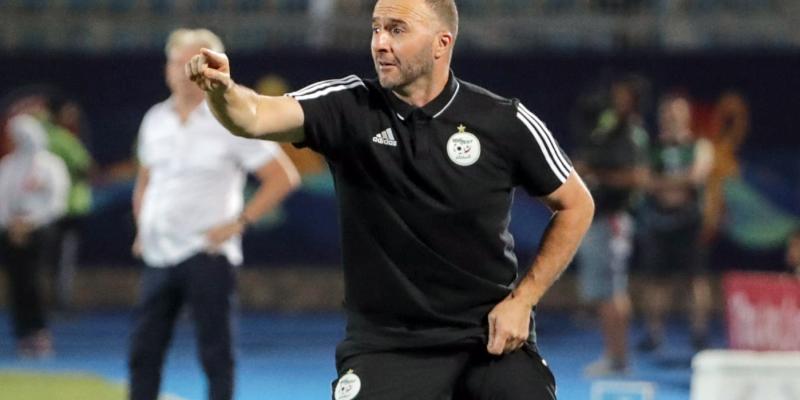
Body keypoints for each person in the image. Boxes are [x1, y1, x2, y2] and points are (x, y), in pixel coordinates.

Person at [188, 1, 595, 398]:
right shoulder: (347, 106)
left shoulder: (503, 121)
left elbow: (577, 204)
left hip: (487, 335)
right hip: (386, 345)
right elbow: (254, 116)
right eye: (376, 29)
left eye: (397, 30)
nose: (380, 42)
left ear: (441, 42)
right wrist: (223, 92)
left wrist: (522, 301)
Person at [128, 29, 300, 400]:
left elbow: (283, 176)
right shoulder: (155, 119)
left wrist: (239, 223)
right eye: (177, 62)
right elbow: (145, 180)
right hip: (159, 254)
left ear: (211, 69)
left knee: (216, 354)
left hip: (207, 253)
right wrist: (143, 227)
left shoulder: (230, 120)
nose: (183, 71)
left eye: (194, 62)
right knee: (143, 352)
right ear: (167, 68)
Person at [573, 75, 650, 376]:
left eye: (621, 94)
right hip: (600, 218)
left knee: (612, 290)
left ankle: (617, 358)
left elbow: (638, 177)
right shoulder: (609, 127)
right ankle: (617, 356)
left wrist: (595, 172)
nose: (614, 99)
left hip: (613, 219)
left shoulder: (632, 133)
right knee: (608, 290)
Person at [636, 94, 714, 353]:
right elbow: (645, 181)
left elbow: (696, 177)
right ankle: (654, 335)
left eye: (675, 113)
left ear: (686, 116)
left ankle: (699, 333)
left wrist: (664, 183)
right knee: (656, 281)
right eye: (666, 114)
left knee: (695, 280)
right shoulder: (652, 148)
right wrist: (675, 183)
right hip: (658, 223)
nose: (670, 118)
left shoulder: (699, 145)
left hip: (689, 223)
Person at [0, 114, 69, 357]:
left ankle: (39, 332)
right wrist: (10, 225)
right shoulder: (8, 165)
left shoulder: (51, 165)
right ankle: (22, 333)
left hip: (40, 232)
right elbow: (2, 201)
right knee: (16, 283)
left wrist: (30, 223)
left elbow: (57, 203)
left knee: (33, 282)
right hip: (11, 233)